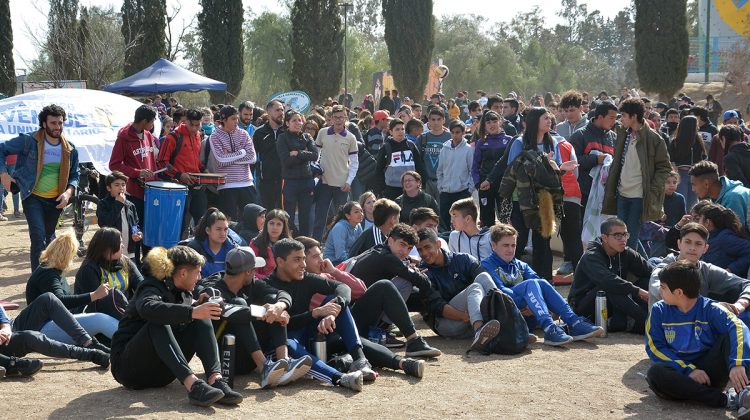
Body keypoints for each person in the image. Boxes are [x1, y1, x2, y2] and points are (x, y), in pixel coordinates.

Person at [110, 246, 243, 406]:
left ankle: (216, 380)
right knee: (159, 323)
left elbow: (186, 311)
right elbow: (147, 307)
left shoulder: (184, 291)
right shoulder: (151, 286)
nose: (200, 277)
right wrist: (192, 311)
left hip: (162, 373)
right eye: (197, 272)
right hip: (128, 369)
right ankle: (194, 386)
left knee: (201, 318)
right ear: (182, 273)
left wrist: (199, 306)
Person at [297, 236, 438, 376]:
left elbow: (360, 290)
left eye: (321, 255)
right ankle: (402, 363)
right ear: (302, 260)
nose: (321, 260)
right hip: (325, 335)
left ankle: (413, 340)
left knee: (383, 286)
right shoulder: (298, 283)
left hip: (346, 322)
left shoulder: (326, 275)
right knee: (350, 338)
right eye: (315, 257)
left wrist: (334, 272)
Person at [195, 247, 313, 388]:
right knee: (241, 306)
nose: (256, 272)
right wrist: (264, 312)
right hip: (222, 359)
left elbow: (281, 294)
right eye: (254, 269)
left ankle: (285, 363)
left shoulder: (252, 282)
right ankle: (264, 368)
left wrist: (278, 307)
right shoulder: (213, 287)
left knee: (272, 305)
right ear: (248, 271)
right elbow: (227, 310)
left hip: (245, 354)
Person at [265, 238, 374, 392]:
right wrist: (314, 313)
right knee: (289, 342)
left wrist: (334, 310)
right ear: (280, 262)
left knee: (333, 300)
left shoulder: (306, 278)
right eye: (297, 260)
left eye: (303, 259)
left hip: (309, 335)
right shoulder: (266, 285)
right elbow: (283, 323)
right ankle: (339, 378)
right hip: (282, 345)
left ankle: (360, 360)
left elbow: (343, 287)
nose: (303, 265)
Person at [645, 260, 750, 414]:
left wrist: (737, 363)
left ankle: (744, 394)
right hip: (682, 375)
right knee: (655, 374)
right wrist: (688, 370)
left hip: (711, 372)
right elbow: (655, 347)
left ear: (679, 292)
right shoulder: (659, 310)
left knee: (733, 335)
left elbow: (739, 327)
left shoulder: (710, 308)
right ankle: (726, 400)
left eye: (663, 287)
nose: (660, 292)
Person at [481, 224, 604, 345]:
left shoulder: (520, 264)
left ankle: (574, 322)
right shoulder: (486, 265)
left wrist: (532, 303)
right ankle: (549, 328)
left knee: (542, 282)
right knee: (530, 284)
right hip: (505, 314)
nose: (510, 249)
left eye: (513, 245)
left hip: (529, 315)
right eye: (505, 245)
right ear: (493, 246)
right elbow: (500, 292)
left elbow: (539, 285)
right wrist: (529, 302)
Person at [0, 104, 80, 269]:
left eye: (60, 123)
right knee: (38, 237)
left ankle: (49, 275)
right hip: (33, 197)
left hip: (56, 200)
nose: (57, 127)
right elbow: (1, 149)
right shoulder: (29, 141)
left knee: (50, 238)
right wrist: (3, 174)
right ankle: (38, 279)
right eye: (53, 123)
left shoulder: (70, 149)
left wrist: (68, 193)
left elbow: (75, 175)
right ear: (44, 124)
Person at [603, 98, 672, 255]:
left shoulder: (654, 139)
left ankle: (629, 275)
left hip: (639, 197)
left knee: (629, 238)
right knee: (622, 236)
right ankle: (644, 267)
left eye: (624, 116)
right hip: (621, 194)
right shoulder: (622, 134)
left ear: (633, 117)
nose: (621, 119)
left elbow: (664, 167)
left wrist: (653, 188)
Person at [415, 228, 505, 349]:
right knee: (475, 287)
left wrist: (476, 313)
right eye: (420, 250)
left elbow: (486, 281)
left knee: (483, 276)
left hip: (471, 316)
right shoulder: (423, 273)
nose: (424, 253)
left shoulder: (463, 259)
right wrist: (467, 316)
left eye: (427, 247)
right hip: (445, 322)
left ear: (438, 244)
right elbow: (438, 306)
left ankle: (509, 323)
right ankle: (479, 330)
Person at [24, 231, 119, 342]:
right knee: (100, 319)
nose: (73, 259)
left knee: (99, 318)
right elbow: (59, 301)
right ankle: (131, 341)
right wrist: (94, 295)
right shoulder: (47, 273)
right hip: (43, 328)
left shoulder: (53, 269)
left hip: (55, 323)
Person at [569, 218, 653, 334]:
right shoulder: (591, 256)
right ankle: (650, 324)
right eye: (618, 235)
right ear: (604, 238)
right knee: (607, 288)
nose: (623, 239)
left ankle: (661, 318)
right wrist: (638, 291)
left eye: (625, 235)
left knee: (648, 281)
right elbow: (607, 281)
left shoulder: (626, 253)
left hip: (613, 303)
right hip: (584, 306)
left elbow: (651, 272)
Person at [648, 223, 750, 316]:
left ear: (705, 248)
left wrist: (741, 304)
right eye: (688, 242)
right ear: (679, 244)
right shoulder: (662, 269)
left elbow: (746, 284)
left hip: (695, 330)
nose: (692, 248)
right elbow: (666, 294)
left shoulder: (706, 269)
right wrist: (715, 307)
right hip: (663, 330)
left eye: (698, 244)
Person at [0, 304, 109, 374]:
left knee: (48, 300)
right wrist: (92, 296)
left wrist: (5, 326)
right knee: (31, 337)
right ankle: (11, 364)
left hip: (6, 335)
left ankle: (89, 346)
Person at [109, 105, 158, 260]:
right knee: (136, 227)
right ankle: (135, 260)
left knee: (150, 228)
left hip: (151, 191)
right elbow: (114, 164)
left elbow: (152, 161)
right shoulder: (123, 137)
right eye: (152, 122)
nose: (153, 125)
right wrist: (137, 173)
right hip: (133, 192)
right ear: (144, 121)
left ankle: (148, 261)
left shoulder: (148, 135)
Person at [350, 223, 434, 304]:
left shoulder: (379, 248)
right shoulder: (387, 258)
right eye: (402, 245)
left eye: (409, 248)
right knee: (406, 282)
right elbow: (423, 282)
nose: (405, 252)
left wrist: (412, 262)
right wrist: (418, 272)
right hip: (358, 308)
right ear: (390, 241)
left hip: (359, 302)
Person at [156, 108, 207, 236]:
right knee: (180, 224)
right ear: (185, 121)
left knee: (202, 221)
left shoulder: (199, 136)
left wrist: (204, 170)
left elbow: (197, 161)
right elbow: (162, 161)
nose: (195, 128)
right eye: (192, 125)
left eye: (198, 125)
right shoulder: (173, 137)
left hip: (197, 186)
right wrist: (179, 175)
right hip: (178, 187)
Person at [74, 227, 143, 319]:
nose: (122, 246)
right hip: (99, 317)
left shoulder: (124, 261)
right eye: (119, 243)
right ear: (108, 248)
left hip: (125, 312)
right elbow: (96, 304)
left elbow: (141, 284)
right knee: (113, 295)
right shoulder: (89, 269)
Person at [313, 105, 359, 241]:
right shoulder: (322, 132)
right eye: (335, 117)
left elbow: (355, 163)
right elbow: (317, 153)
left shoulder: (351, 138)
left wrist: (349, 181)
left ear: (346, 118)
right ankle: (316, 243)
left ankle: (338, 241)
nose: (338, 120)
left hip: (342, 184)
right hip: (324, 181)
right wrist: (316, 170)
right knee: (320, 216)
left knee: (341, 217)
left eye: (341, 117)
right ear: (331, 119)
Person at [209, 105, 258, 221]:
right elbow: (220, 160)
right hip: (227, 185)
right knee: (231, 223)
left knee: (253, 220)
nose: (237, 121)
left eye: (237, 118)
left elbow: (252, 158)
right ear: (224, 119)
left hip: (247, 183)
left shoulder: (244, 134)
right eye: (233, 119)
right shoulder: (215, 136)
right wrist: (241, 152)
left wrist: (229, 156)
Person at [277, 110, 318, 236]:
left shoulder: (307, 137)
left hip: (306, 181)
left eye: (300, 120)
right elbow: (286, 161)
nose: (298, 123)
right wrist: (304, 155)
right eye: (294, 120)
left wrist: (297, 153)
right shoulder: (282, 138)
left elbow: (315, 155)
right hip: (290, 181)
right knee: (288, 216)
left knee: (305, 215)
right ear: (287, 123)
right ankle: (291, 240)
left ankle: (305, 243)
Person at [568, 102, 617, 209]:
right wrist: (595, 159)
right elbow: (571, 162)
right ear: (600, 117)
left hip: (605, 195)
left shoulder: (614, 138)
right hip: (584, 194)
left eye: (615, 118)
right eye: (611, 118)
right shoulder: (580, 135)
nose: (614, 121)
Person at [473, 111, 514, 227]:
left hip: (505, 185)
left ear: (500, 122)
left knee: (505, 217)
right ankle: (487, 243)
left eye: (494, 121)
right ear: (484, 125)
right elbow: (475, 166)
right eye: (488, 122)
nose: (492, 124)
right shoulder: (481, 142)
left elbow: (512, 164)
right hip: (485, 185)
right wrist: (478, 183)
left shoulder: (509, 140)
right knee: (486, 218)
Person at [689, 160, 750, 231]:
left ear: (706, 184)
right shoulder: (718, 198)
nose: (693, 189)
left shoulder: (733, 197)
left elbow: (737, 234)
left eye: (694, 184)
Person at [437, 120, 474, 232]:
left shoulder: (468, 150)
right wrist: (441, 187)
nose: (455, 135)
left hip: (462, 191)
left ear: (463, 132)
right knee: (444, 220)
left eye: (458, 132)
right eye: (452, 132)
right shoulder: (444, 149)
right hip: (445, 191)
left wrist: (469, 189)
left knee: (461, 222)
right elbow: (440, 170)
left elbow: (472, 170)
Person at [96, 171, 142, 260]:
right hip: (112, 252)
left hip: (130, 252)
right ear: (109, 188)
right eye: (117, 185)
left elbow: (135, 224)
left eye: (123, 185)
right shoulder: (103, 204)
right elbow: (104, 224)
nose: (121, 188)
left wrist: (136, 233)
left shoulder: (131, 205)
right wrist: (118, 204)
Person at [376, 118, 425, 200]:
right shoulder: (386, 147)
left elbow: (419, 166)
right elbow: (378, 170)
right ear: (391, 132)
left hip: (411, 187)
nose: (400, 131)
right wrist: (382, 189)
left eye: (402, 129)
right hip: (392, 189)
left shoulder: (411, 146)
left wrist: (422, 184)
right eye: (397, 129)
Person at [187, 208, 240, 278]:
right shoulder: (194, 249)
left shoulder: (234, 250)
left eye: (225, 229)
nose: (223, 233)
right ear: (208, 230)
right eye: (218, 229)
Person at [698, 204, 750, 276]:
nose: (697, 223)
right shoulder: (709, 237)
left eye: (699, 219)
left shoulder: (724, 238)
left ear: (707, 222)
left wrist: (730, 269)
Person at [669, 115, 707, 209]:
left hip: (695, 175)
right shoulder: (675, 142)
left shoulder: (698, 140)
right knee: (682, 201)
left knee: (693, 203)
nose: (698, 127)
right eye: (696, 125)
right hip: (681, 174)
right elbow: (671, 159)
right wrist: (675, 172)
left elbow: (703, 157)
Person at [254, 100, 285, 210]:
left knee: (284, 214)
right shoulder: (259, 133)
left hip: (285, 179)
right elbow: (253, 156)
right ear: (269, 112)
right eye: (277, 110)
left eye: (282, 109)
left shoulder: (287, 131)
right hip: (266, 180)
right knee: (268, 212)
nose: (281, 112)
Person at [416, 107, 451, 200]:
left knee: (443, 212)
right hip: (427, 182)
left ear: (444, 120)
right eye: (433, 119)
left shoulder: (450, 137)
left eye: (439, 119)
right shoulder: (422, 138)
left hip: (445, 181)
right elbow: (417, 161)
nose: (436, 122)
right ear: (428, 121)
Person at [249, 209, 293, 279]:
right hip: (263, 283)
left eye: (279, 224)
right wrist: (268, 280)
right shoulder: (256, 243)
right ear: (266, 225)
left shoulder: (290, 245)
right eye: (271, 223)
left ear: (283, 227)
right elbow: (252, 271)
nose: (274, 227)